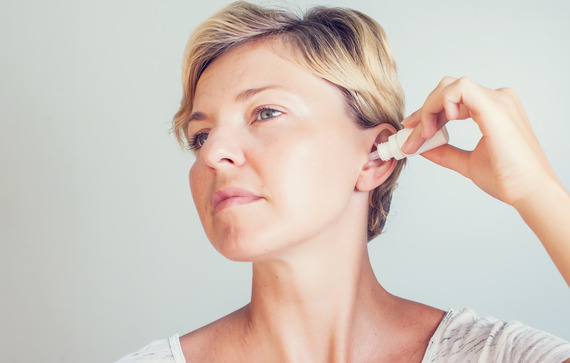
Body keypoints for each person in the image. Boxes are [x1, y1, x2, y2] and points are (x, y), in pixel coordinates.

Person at [116, 1, 570, 362]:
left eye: (266, 112)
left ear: (374, 158)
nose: (213, 154)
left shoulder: (499, 356)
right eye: (200, 136)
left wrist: (537, 191)